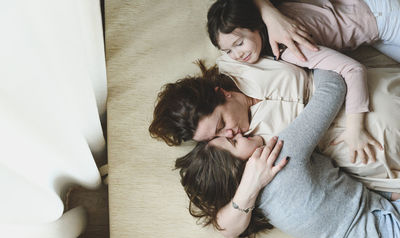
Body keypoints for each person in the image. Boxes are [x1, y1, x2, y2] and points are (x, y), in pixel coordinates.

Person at [175, 70, 400, 238]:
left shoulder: (257, 203)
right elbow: (333, 86)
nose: (237, 133)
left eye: (223, 128)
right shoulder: (280, 154)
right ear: (238, 166)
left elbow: (333, 196)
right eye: (232, 141)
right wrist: (313, 53)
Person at [149, 59, 400, 191]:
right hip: (357, 150)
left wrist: (269, 13)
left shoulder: (237, 61)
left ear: (221, 93)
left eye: (221, 123)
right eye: (215, 137)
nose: (229, 133)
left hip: (360, 93)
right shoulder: (247, 149)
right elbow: (226, 220)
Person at [206, 0, 400, 163]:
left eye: (239, 44)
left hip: (382, 17)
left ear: (256, 25)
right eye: (228, 51)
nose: (237, 54)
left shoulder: (288, 47)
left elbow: (353, 69)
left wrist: (355, 129)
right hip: (368, 21)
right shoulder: (265, 26)